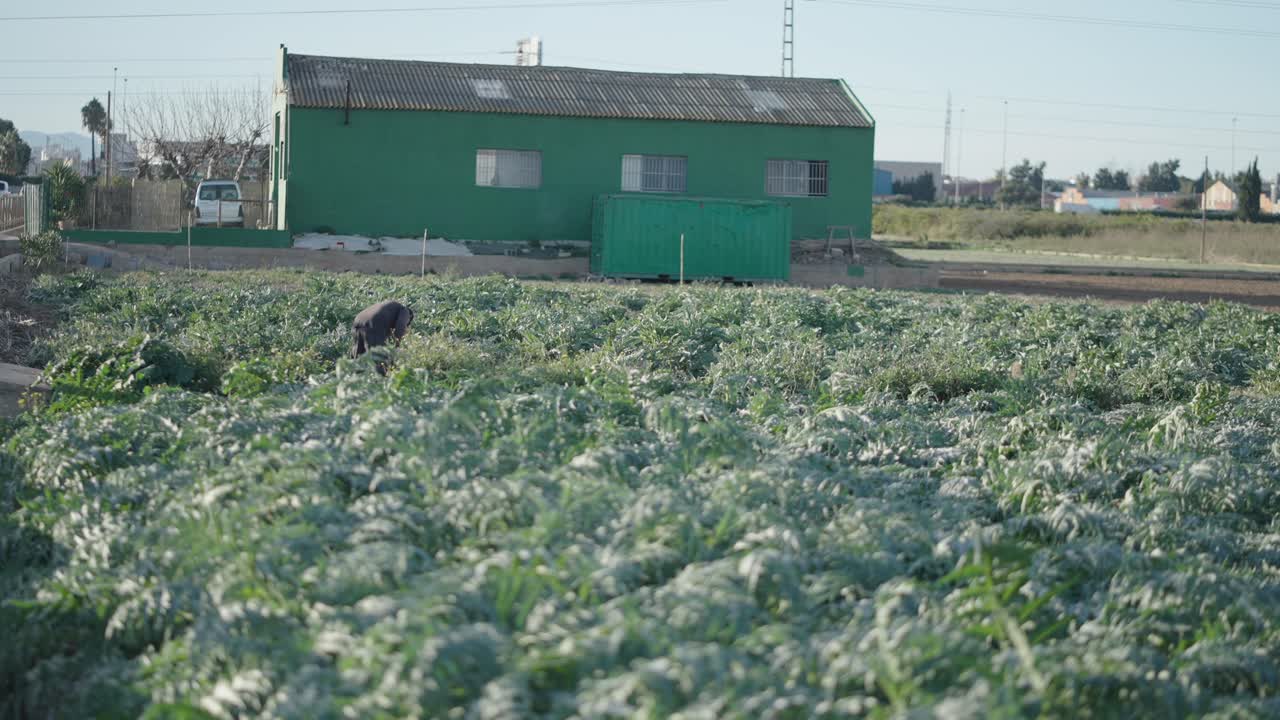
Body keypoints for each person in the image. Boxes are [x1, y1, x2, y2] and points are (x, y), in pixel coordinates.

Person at [351, 300, 414, 373]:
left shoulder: (390, 308)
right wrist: (397, 346)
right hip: (374, 323)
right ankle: (380, 382)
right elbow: (400, 327)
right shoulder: (405, 310)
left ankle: (351, 379)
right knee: (380, 358)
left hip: (358, 320)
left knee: (358, 357)